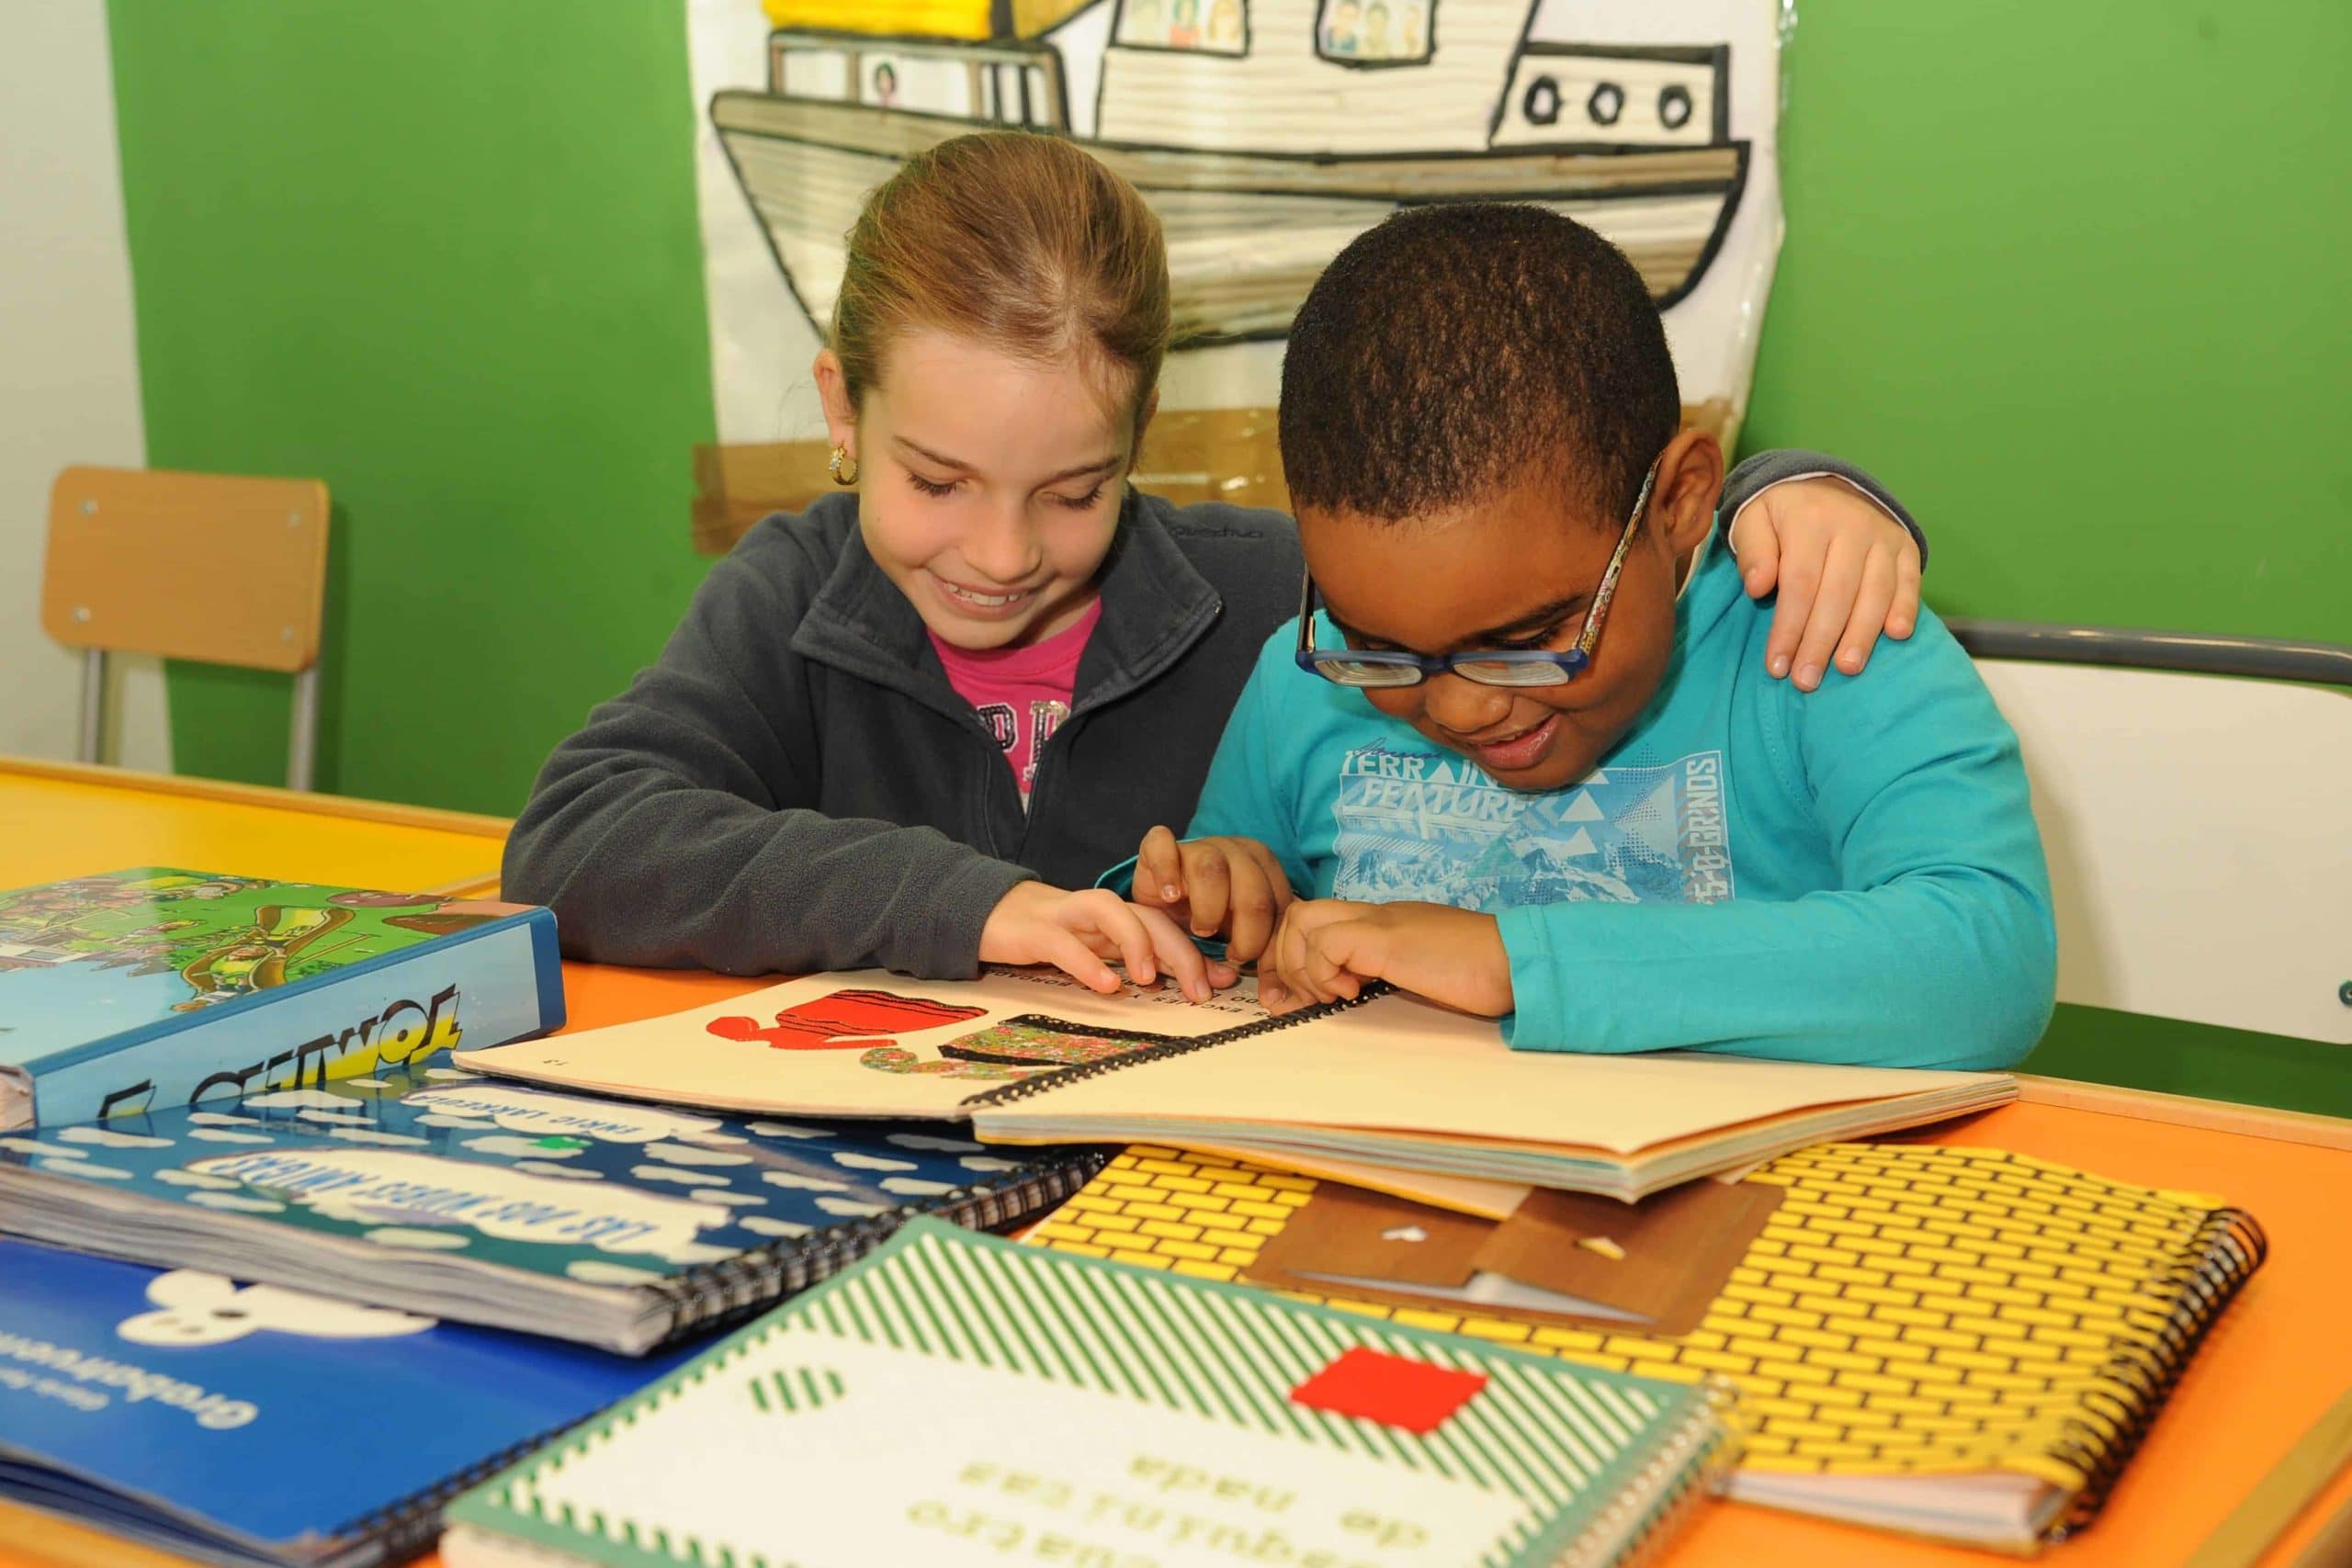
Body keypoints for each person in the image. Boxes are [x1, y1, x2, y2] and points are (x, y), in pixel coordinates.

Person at [503, 134, 1934, 1004]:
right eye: (935, 481)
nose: (1001, 556)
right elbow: (579, 836)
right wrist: (967, 906)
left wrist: (1787, 491)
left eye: (1076, 489)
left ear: (1144, 440)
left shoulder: (1276, 604)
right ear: (839, 411)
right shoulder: (799, 592)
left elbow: (1507, 547)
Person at [1134, 204, 2054, 1069]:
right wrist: (1221, 897)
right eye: (1376, 643)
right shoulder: (1303, 679)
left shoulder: (1823, 636)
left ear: (1681, 502)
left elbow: (1985, 964)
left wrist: (1515, 959)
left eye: (1533, 633)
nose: (1458, 704)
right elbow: (1234, 932)